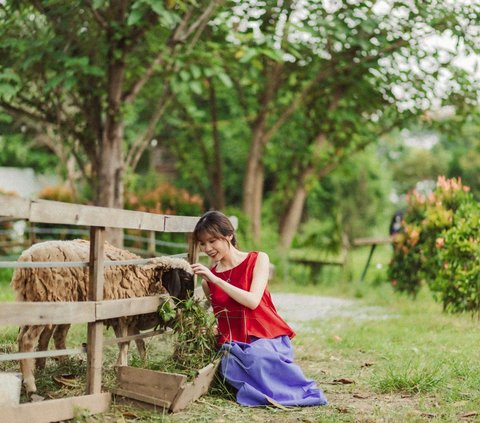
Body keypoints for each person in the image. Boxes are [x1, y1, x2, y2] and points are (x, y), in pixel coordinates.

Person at [191, 210, 328, 407]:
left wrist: (215, 279)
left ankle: (291, 393)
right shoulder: (207, 282)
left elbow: (253, 301)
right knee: (229, 364)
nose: (208, 248)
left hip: (265, 334)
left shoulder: (258, 260)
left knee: (259, 357)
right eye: (202, 243)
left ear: (229, 235)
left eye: (213, 241)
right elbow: (222, 316)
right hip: (234, 341)